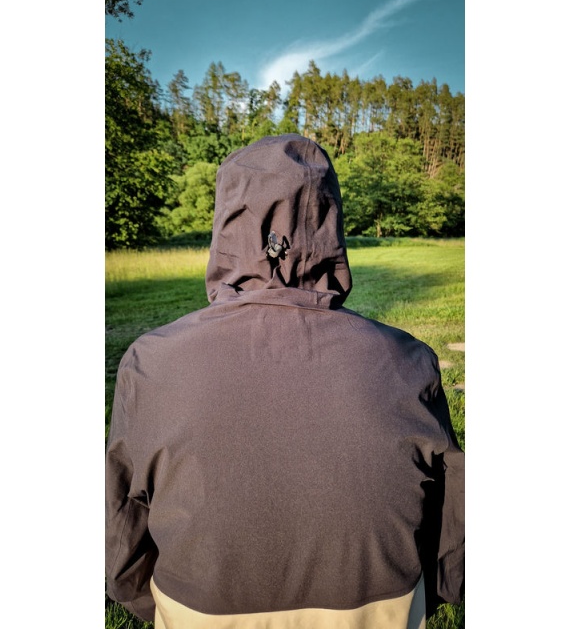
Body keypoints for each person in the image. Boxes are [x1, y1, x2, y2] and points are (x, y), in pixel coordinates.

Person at [105, 133, 465, 628]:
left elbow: (122, 543)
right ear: (330, 225)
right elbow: (451, 543)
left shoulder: (151, 362)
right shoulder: (409, 361)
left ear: (226, 228)